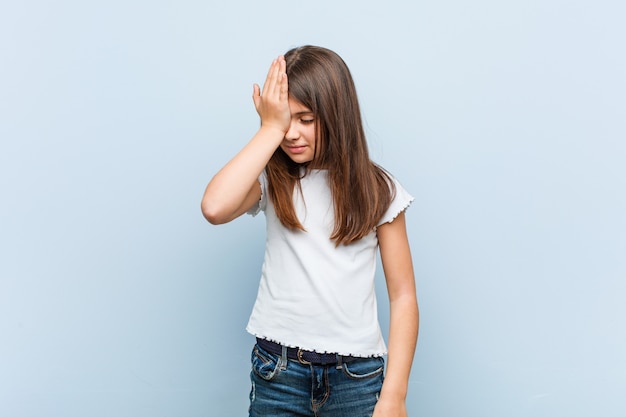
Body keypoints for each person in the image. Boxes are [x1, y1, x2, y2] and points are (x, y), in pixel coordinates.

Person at [201, 45, 418, 417]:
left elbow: (403, 297)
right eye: (286, 119)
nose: (292, 134)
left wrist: (394, 395)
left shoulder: (379, 189)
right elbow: (214, 208)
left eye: (306, 119)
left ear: (336, 115)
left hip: (357, 378)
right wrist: (269, 128)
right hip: (279, 374)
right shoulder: (274, 180)